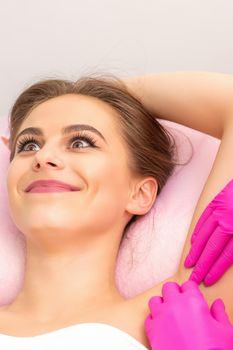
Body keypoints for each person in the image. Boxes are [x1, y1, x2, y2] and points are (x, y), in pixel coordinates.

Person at [0, 72, 232, 349]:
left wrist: (109, 89)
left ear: (140, 194)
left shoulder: (184, 308)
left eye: (81, 142)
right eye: (28, 145)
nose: (43, 157)